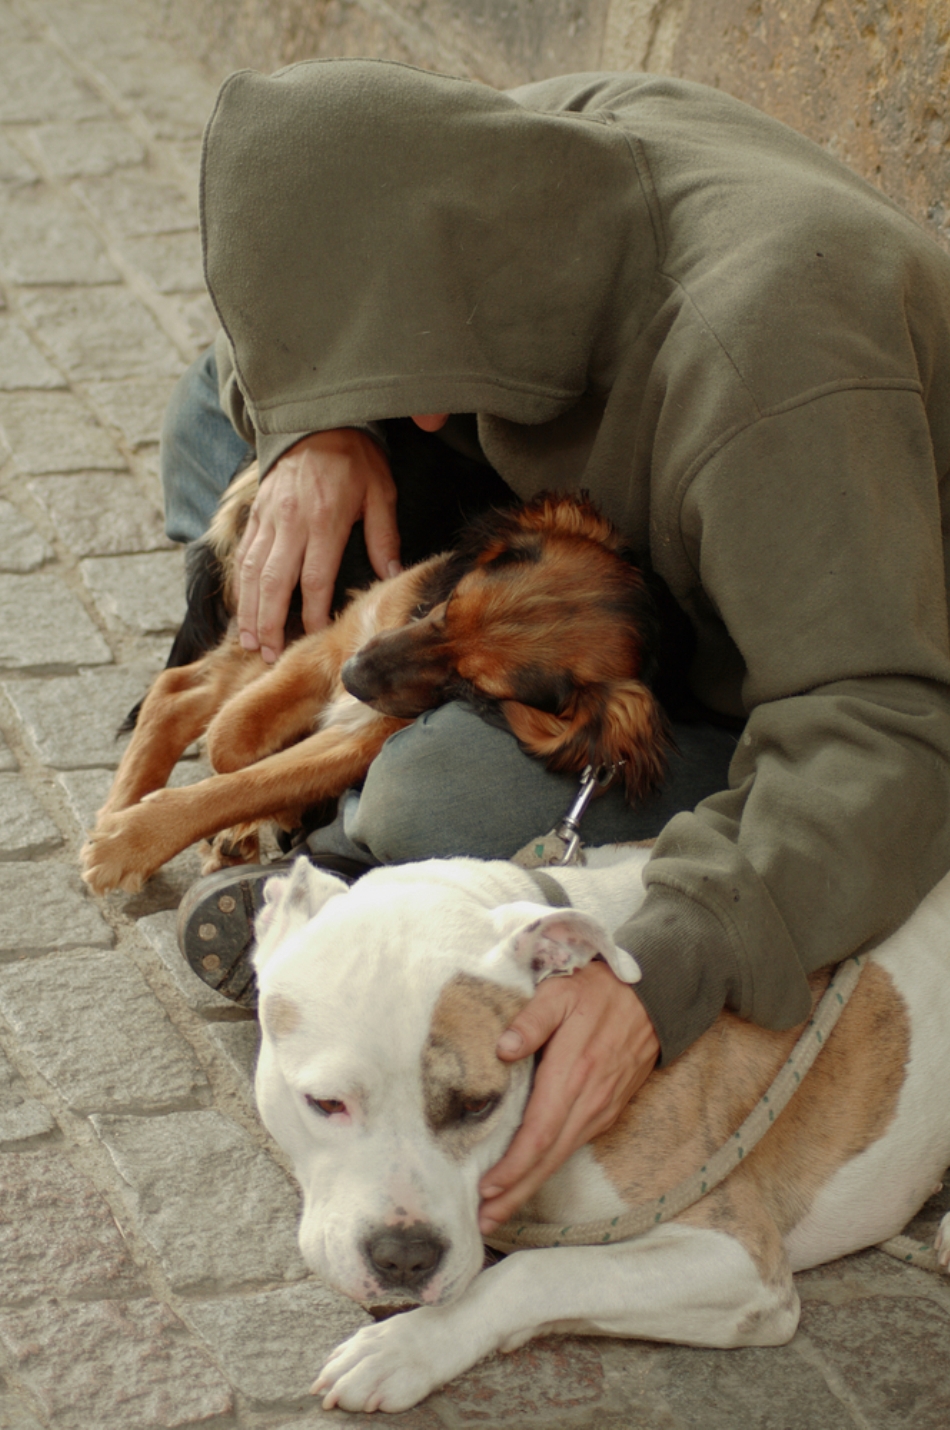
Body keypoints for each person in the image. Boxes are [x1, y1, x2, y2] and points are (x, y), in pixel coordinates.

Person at [162, 60, 950, 1237]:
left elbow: (883, 723)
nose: (416, 413)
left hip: (822, 684)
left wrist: (677, 965)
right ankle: (332, 717)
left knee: (437, 791)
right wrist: (316, 422)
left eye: (406, 381)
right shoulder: (533, 157)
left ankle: (362, 854)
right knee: (206, 412)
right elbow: (301, 300)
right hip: (608, 571)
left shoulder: (766, 369)